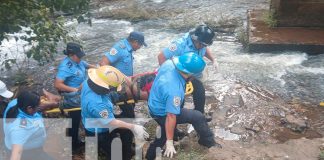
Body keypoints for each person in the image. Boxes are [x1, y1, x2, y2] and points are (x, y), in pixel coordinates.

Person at [145, 53, 222, 160]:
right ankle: (207, 142)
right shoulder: (174, 89)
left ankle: (165, 141)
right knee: (196, 117)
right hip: (162, 113)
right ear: (189, 74)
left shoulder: (169, 63)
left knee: (168, 128)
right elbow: (171, 116)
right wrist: (170, 142)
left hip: (155, 102)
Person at [81, 65, 149, 160]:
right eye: (110, 87)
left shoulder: (90, 82)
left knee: (127, 130)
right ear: (103, 87)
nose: (111, 89)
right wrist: (134, 127)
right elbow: (111, 122)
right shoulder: (97, 103)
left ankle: (127, 152)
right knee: (114, 153)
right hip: (99, 131)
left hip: (97, 119)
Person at [157, 24, 218, 114]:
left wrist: (213, 60)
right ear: (197, 40)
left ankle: (200, 114)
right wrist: (169, 75)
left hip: (191, 75)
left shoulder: (201, 44)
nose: (203, 47)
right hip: (178, 75)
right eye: (202, 44)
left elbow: (205, 49)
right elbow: (161, 57)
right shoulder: (179, 45)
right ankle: (174, 117)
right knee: (178, 99)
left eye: (205, 45)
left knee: (200, 90)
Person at [54, 42, 95, 151]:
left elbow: (88, 66)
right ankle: (74, 144)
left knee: (77, 118)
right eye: (79, 56)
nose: (81, 58)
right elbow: (58, 84)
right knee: (78, 118)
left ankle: (76, 141)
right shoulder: (66, 66)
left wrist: (100, 69)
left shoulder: (79, 61)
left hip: (82, 93)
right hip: (74, 96)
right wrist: (76, 89)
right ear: (71, 55)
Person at [99, 31, 147, 118]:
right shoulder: (120, 48)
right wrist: (118, 78)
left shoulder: (128, 49)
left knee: (131, 106)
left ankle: (119, 121)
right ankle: (115, 124)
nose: (140, 47)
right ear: (135, 42)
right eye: (140, 45)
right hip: (118, 85)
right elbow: (103, 63)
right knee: (130, 114)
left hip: (127, 83)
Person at [3, 91, 54, 160]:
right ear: (29, 108)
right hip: (28, 152)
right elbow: (16, 153)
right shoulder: (20, 128)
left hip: (27, 144)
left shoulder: (16, 103)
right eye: (38, 105)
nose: (41, 106)